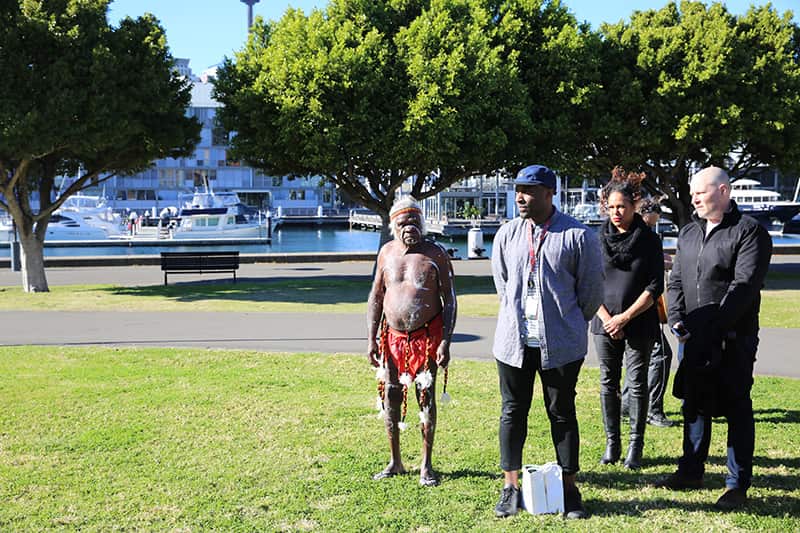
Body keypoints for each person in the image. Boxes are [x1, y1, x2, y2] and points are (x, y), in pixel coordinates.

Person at [655, 166, 772, 511]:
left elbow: (744, 287)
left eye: (700, 193)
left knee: (736, 406)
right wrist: (677, 322)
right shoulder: (688, 233)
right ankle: (691, 471)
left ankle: (737, 484)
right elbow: (675, 281)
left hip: (733, 338)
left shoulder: (749, 233)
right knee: (694, 405)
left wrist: (713, 327)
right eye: (692, 193)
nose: (694, 199)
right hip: (691, 337)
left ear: (723, 191)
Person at [491, 164, 603, 519]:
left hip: (562, 345)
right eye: (517, 190)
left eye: (528, 190)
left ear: (549, 193)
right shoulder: (506, 234)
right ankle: (510, 487)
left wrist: (565, 323)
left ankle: (570, 490)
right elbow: (503, 284)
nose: (520, 197)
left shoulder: (579, 236)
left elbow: (590, 294)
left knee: (562, 412)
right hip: (514, 344)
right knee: (513, 411)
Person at [367, 197, 457, 487]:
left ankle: (426, 465)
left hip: (427, 335)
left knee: (426, 396)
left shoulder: (436, 254)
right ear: (394, 225)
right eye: (404, 223)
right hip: (392, 337)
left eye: (415, 222)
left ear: (423, 223)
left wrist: (445, 341)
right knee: (391, 394)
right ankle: (395, 461)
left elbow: (450, 300)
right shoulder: (385, 253)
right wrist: (371, 338)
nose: (410, 228)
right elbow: (376, 296)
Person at [591, 171, 664, 470]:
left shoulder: (648, 240)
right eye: (611, 207)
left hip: (639, 321)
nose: (616, 213)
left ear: (634, 204)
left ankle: (636, 446)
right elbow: (588, 282)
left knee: (636, 384)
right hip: (603, 322)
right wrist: (608, 318)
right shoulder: (596, 238)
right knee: (607, 383)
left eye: (621, 206)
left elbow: (655, 285)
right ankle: (613, 443)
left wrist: (624, 317)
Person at [621, 199, 677, 428]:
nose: (650, 228)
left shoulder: (628, 235)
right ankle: (652, 409)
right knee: (661, 355)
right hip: (639, 308)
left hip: (629, 307)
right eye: (649, 222)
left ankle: (627, 405)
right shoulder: (639, 238)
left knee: (637, 357)